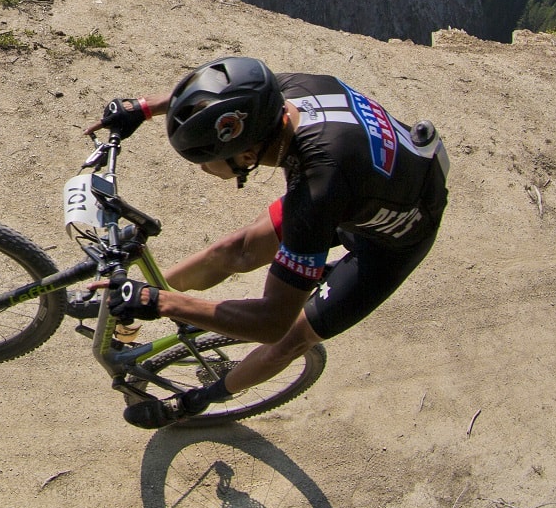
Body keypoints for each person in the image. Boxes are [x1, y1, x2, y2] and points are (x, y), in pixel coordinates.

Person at [76, 55, 448, 429]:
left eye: (207, 162)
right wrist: (143, 108)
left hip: (391, 241)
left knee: (291, 338)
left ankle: (197, 401)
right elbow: (226, 94)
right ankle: (124, 309)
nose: (205, 170)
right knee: (235, 250)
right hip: (369, 183)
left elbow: (272, 322)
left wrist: (163, 303)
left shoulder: (317, 191)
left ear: (247, 155)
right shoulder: (293, 91)